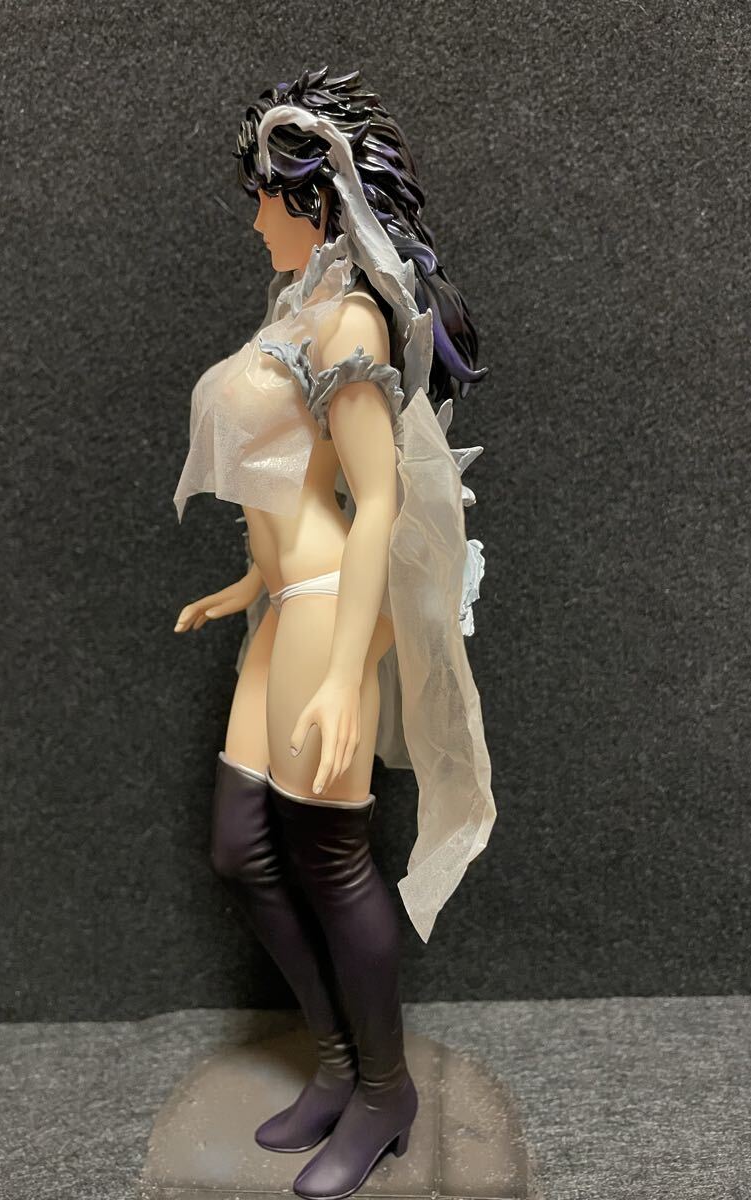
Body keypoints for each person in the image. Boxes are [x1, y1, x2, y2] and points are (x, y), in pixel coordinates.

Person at [172, 66, 496, 1200]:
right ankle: (337, 1064)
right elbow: (286, 479)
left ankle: (383, 1090)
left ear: (310, 198)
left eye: (263, 198)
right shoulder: (292, 313)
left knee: (327, 856)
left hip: (328, 610)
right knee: (240, 848)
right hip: (282, 604)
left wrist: (351, 669)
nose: (254, 219)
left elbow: (379, 501)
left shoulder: (351, 320)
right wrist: (243, 584)